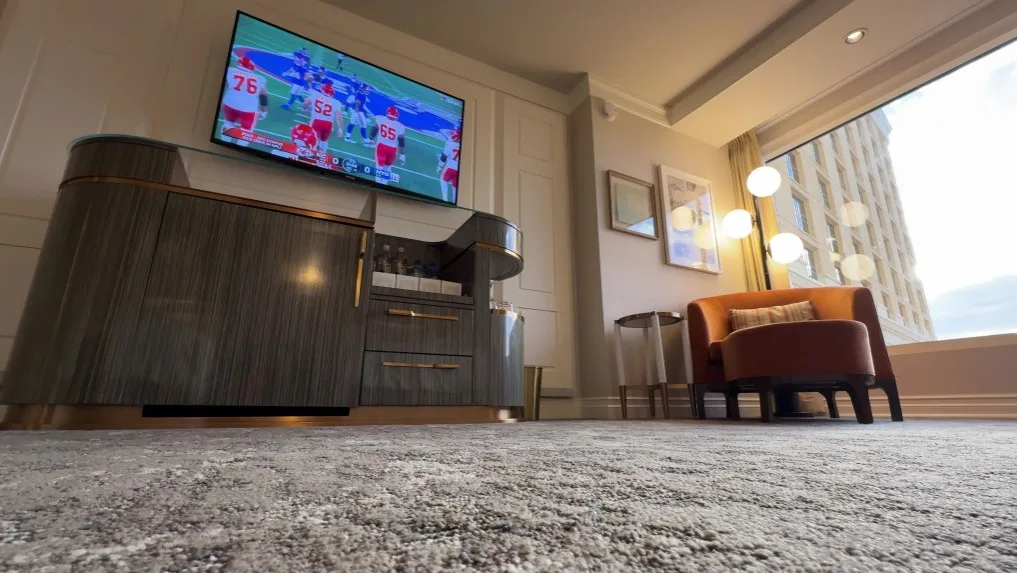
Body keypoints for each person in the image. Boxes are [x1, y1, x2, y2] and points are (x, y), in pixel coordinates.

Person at [220, 56, 268, 146]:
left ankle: (223, 144)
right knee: (246, 133)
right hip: (249, 110)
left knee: (228, 124)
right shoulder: (260, 78)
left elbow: (223, 87)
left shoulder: (230, 71)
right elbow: (263, 96)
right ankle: (239, 148)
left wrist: (222, 101)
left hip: (229, 105)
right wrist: (264, 112)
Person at [302, 83, 342, 155]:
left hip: (316, 122)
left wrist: (305, 109)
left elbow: (305, 104)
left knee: (313, 141)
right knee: (324, 142)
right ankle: (322, 157)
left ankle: (309, 156)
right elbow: (339, 117)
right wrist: (340, 129)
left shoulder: (315, 95)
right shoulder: (336, 102)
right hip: (328, 124)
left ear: (322, 89)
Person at [370, 106, 406, 183]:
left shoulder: (380, 119)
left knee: (379, 167)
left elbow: (374, 130)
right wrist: (402, 154)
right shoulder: (400, 126)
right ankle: (384, 183)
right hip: (392, 149)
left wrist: (371, 139)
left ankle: (378, 183)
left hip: (381, 147)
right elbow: (401, 141)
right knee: (387, 167)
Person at [437, 129, 461, 202]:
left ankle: (445, 199)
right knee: (455, 188)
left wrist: (439, 167)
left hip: (450, 168)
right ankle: (454, 202)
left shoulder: (450, 144)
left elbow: (444, 157)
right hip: (459, 170)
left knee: (443, 180)